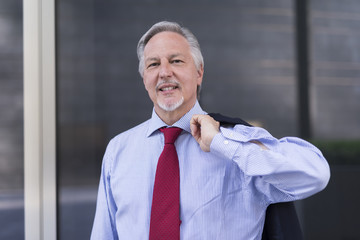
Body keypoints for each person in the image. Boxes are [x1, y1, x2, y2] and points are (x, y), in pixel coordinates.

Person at [91, 21, 330, 240]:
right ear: (145, 78)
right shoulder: (118, 150)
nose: (164, 72)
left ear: (199, 72)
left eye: (176, 61)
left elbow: (316, 174)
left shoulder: (236, 142)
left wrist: (220, 143)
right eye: (153, 64)